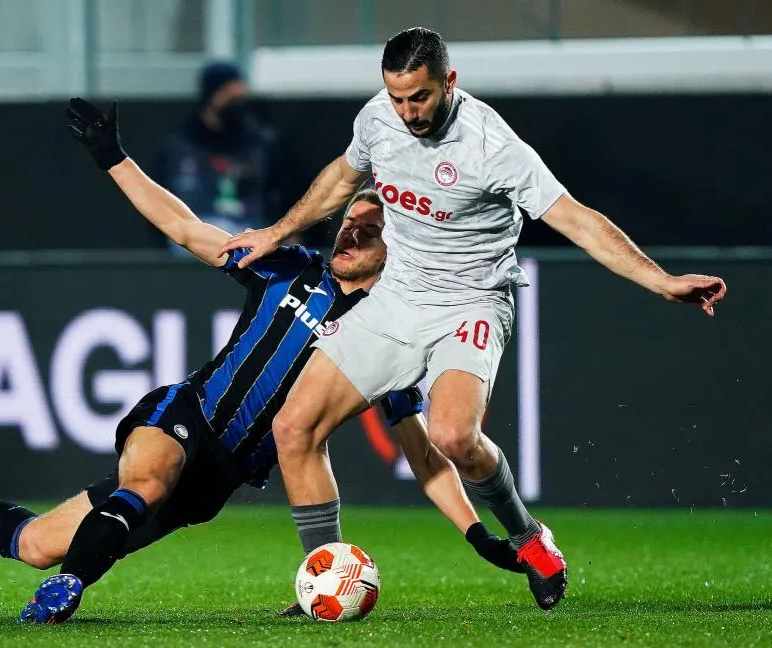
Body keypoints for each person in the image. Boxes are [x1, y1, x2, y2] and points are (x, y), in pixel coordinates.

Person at [0, 97, 523, 625]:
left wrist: (475, 535)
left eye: (371, 228)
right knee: (140, 487)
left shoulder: (389, 337)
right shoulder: (285, 267)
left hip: (218, 480)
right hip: (186, 415)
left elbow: (425, 457)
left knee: (34, 543)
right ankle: (71, 587)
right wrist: (112, 155)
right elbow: (183, 226)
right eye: (350, 218)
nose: (352, 228)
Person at [220, 27, 728, 612]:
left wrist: (661, 280)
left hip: (472, 301)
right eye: (397, 98)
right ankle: (327, 575)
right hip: (397, 298)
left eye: (421, 98)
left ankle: (529, 535)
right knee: (294, 428)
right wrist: (276, 232)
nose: (408, 112)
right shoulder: (378, 119)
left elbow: (578, 220)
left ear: (449, 83)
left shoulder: (493, 148)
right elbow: (342, 177)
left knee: (453, 436)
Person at [153, 60, 310, 255]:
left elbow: (289, 193)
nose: (237, 107)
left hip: (250, 234)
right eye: (229, 96)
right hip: (192, 242)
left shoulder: (263, 145)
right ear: (211, 95)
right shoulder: (178, 149)